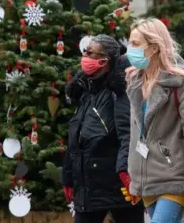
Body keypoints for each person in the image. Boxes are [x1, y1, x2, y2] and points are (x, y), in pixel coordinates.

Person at [121, 18, 184, 223]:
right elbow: (135, 136)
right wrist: (135, 179)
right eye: (129, 42)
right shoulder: (134, 83)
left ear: (153, 48)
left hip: (175, 180)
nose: (129, 49)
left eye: (135, 44)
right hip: (148, 184)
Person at [62, 34, 145, 223]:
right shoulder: (86, 90)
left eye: (90, 52)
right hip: (89, 187)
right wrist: (67, 175)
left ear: (104, 60)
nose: (84, 56)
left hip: (118, 187)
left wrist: (125, 172)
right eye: (85, 51)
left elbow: (128, 134)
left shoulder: (119, 92)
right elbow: (76, 138)